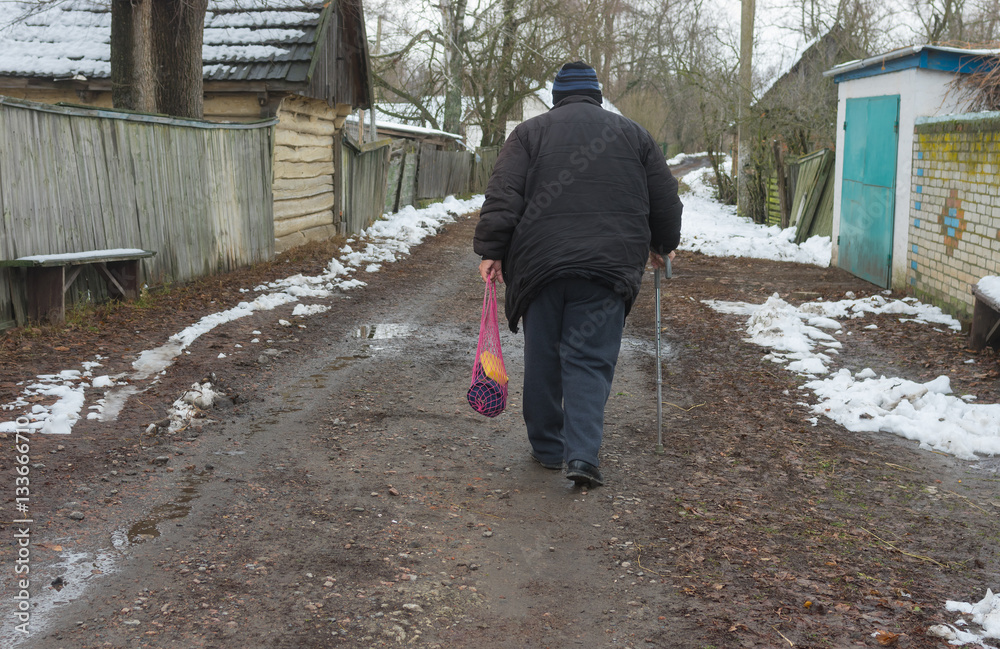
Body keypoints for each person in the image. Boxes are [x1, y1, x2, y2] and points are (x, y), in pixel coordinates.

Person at [473, 61, 682, 488]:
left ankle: (549, 448)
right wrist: (661, 244)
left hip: (540, 267)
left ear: (556, 97)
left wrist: (492, 250)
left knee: (544, 356)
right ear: (598, 96)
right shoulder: (634, 135)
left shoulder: (529, 133)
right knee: (588, 360)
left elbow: (503, 194)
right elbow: (665, 198)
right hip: (606, 269)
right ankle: (583, 455)